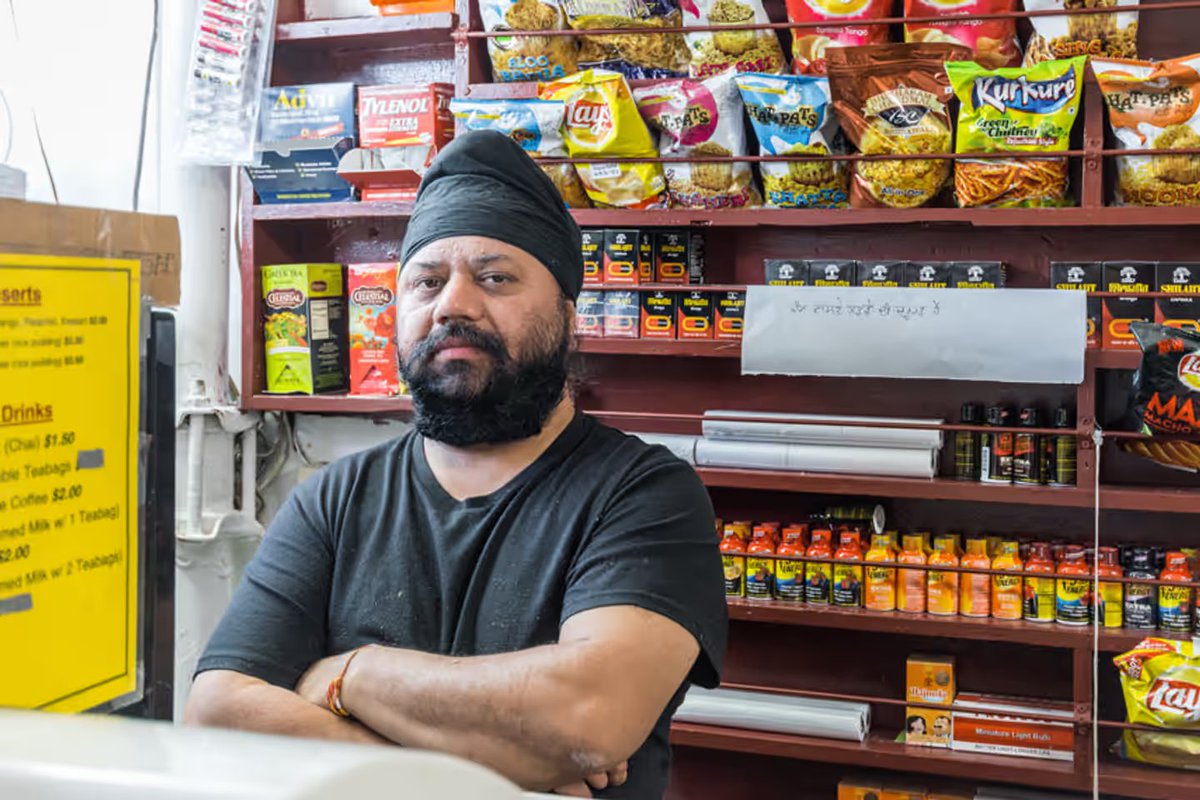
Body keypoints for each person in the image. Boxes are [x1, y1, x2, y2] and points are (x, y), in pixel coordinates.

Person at [185, 130, 728, 799]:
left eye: (495, 277)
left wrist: (350, 677)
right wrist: (499, 768)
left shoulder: (642, 493)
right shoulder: (332, 498)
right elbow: (218, 711)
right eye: (428, 281)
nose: (453, 305)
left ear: (568, 311)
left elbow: (588, 718)